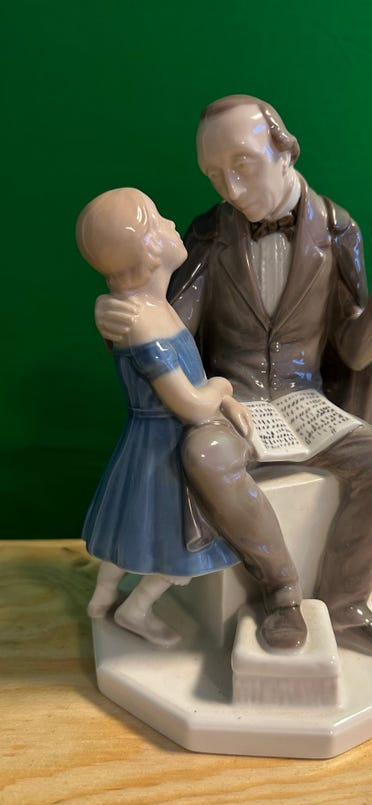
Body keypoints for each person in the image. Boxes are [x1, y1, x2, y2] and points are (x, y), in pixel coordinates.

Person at [96, 96, 372, 656]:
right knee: (206, 454)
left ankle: (346, 607)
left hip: (305, 399)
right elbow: (171, 324)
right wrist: (123, 308)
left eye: (242, 163)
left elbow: (353, 351)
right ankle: (281, 592)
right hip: (234, 400)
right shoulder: (208, 235)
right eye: (213, 174)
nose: (230, 187)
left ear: (285, 151)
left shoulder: (337, 230)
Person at [77, 187, 307, 650]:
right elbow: (190, 404)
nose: (170, 223)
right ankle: (135, 610)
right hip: (167, 449)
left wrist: (225, 402)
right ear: (148, 250)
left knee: (129, 532)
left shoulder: (153, 307)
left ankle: (102, 599)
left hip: (146, 442)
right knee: (174, 544)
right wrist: (221, 389)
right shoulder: (144, 322)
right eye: (159, 219)